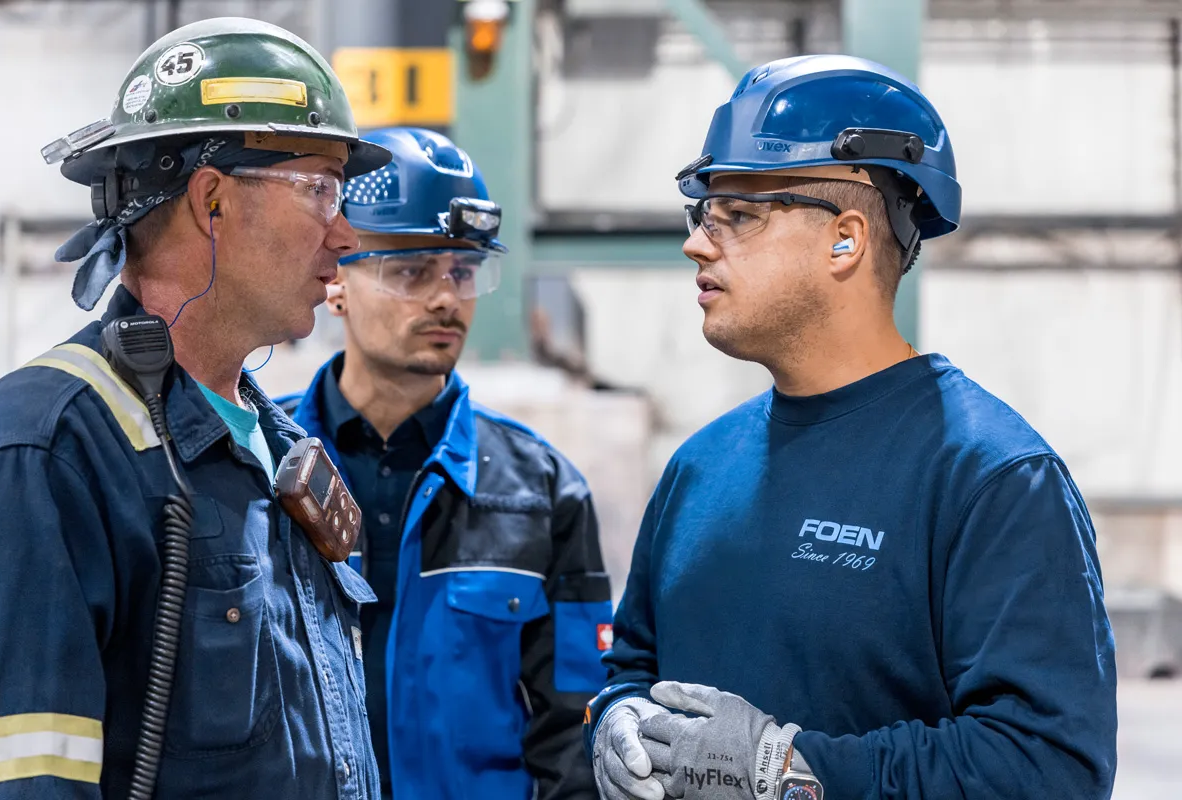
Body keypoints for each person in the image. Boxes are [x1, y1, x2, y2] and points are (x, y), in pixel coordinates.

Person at [585, 55, 1117, 800]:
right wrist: (614, 718)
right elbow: (633, 664)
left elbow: (1048, 765)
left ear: (846, 239)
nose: (697, 244)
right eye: (701, 214)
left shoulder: (991, 477)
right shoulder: (699, 467)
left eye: (738, 216)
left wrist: (793, 773)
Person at [0, 18, 393, 799]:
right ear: (211, 201)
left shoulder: (280, 447)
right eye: (321, 190)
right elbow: (27, 777)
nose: (344, 235)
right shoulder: (50, 447)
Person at [278, 127, 611, 799]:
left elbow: (576, 731)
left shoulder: (543, 494)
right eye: (411, 271)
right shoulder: (258, 462)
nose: (444, 298)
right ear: (335, 281)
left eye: (463, 271)